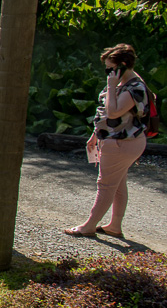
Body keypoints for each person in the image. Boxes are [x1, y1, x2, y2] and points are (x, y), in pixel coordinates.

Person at [63, 44, 151, 238]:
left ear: (122, 65)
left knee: (105, 184)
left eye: (111, 68)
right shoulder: (120, 83)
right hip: (117, 141)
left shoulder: (134, 87)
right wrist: (96, 134)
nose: (108, 73)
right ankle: (114, 226)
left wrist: (111, 86)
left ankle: (89, 225)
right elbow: (104, 113)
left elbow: (113, 112)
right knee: (118, 184)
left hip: (122, 143)